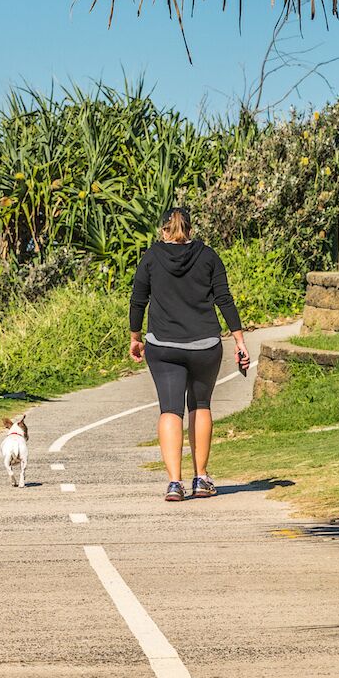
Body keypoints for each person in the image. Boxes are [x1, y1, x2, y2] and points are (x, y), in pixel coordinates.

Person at [128, 206, 247, 502]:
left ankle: (174, 483)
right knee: (201, 406)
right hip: (205, 346)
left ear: (162, 231)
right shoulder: (208, 255)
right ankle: (202, 478)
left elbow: (138, 300)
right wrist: (240, 340)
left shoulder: (151, 257)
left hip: (164, 346)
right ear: (190, 230)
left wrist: (135, 337)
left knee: (170, 410)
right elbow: (224, 298)